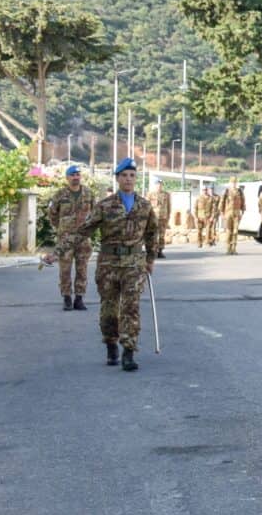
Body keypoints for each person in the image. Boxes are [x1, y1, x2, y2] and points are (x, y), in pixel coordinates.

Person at [44, 158, 157, 371]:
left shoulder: (145, 206)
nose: (128, 179)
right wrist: (57, 252)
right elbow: (82, 231)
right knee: (109, 310)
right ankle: (111, 344)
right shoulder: (104, 206)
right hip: (109, 266)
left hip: (133, 264)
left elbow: (152, 233)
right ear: (117, 179)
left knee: (130, 308)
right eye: (124, 175)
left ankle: (129, 352)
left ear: (136, 179)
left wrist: (150, 259)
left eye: (132, 175)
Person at [48, 165, 94, 311]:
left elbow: (94, 213)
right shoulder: (60, 195)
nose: (76, 177)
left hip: (83, 239)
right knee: (65, 269)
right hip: (65, 239)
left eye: (78, 174)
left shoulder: (88, 193)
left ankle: (79, 299)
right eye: (72, 175)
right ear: (67, 177)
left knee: (82, 269)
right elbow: (52, 214)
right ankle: (67, 298)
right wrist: (62, 228)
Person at [219, 177, 245, 255]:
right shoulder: (226, 191)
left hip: (236, 213)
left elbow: (243, 202)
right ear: (230, 183)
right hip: (228, 213)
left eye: (235, 182)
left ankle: (234, 248)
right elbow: (222, 202)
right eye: (232, 182)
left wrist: (242, 211)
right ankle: (228, 248)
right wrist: (222, 213)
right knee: (228, 231)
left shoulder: (239, 191)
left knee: (235, 231)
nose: (234, 183)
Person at [146, 179, 171, 258]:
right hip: (153, 217)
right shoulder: (150, 194)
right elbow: (146, 206)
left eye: (160, 184)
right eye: (157, 184)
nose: (159, 186)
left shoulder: (166, 194)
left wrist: (168, 217)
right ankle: (153, 251)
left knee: (162, 235)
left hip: (163, 217)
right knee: (153, 235)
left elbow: (169, 206)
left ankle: (160, 251)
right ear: (155, 185)